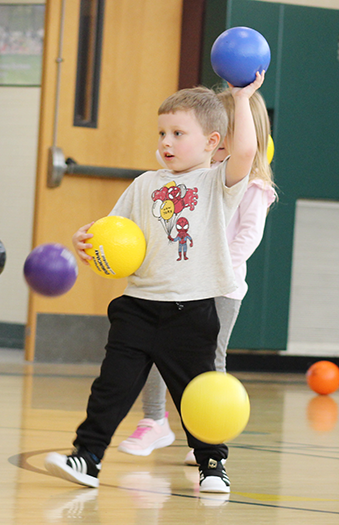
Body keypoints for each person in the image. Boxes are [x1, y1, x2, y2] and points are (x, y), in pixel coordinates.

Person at [44, 71, 265, 493]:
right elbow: (113, 231)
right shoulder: (144, 184)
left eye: (178, 133)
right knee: (111, 386)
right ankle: (87, 458)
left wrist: (242, 98)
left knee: (196, 396)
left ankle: (212, 464)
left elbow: (247, 151)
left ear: (211, 142)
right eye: (162, 132)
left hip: (192, 312)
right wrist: (84, 241)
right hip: (139, 308)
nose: (165, 141)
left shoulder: (217, 183)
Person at [117, 89, 277, 467]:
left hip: (220, 288)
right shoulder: (194, 181)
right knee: (155, 349)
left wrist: (210, 270)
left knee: (208, 362)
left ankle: (209, 434)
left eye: (230, 133)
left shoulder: (253, 187)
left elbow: (246, 239)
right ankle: (155, 420)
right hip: (179, 284)